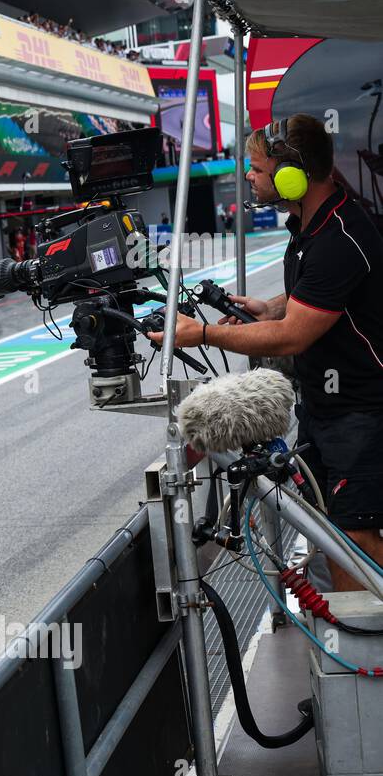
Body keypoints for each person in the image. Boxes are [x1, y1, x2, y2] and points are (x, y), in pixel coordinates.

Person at [149, 113, 383, 592]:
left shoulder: (339, 236)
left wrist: (204, 335)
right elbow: (312, 301)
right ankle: (351, 650)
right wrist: (269, 306)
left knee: (352, 537)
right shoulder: (312, 226)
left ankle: (365, 657)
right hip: (329, 410)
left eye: (256, 169)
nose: (249, 179)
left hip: (362, 414)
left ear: (291, 174)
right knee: (333, 530)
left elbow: (293, 336)